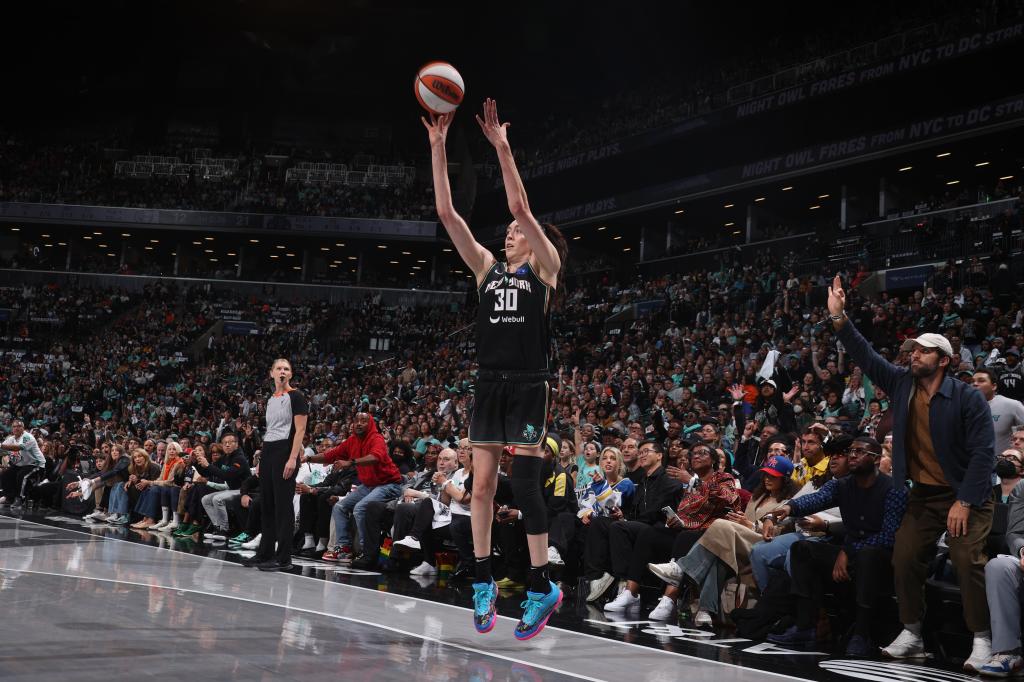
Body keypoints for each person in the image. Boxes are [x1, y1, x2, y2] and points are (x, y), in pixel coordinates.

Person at [423, 98, 569, 640]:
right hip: (489, 383)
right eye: (506, 229)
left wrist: (503, 149)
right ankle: (482, 582)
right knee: (481, 487)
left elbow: (522, 206)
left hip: (530, 385)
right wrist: (439, 150)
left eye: (516, 229)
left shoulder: (545, 272)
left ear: (535, 240)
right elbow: (447, 215)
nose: (509, 231)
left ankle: (540, 586)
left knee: (526, 485)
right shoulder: (486, 270)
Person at [827, 274, 995, 671]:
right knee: (903, 557)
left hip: (963, 495)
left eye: (922, 351)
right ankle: (912, 633)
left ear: (944, 360)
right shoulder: (903, 384)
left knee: (967, 559)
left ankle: (983, 639)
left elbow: (984, 454)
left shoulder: (968, 398)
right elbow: (866, 356)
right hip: (922, 495)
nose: (913, 355)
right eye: (912, 350)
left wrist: (965, 501)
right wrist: (839, 318)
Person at [766, 437, 908, 657]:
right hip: (850, 555)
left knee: (868, 555)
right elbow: (816, 499)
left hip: (883, 560)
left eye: (860, 452)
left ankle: (862, 634)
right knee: (802, 549)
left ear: (877, 459)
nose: (852, 455)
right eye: (851, 451)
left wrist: (847, 551)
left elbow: (889, 537)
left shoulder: (894, 489)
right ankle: (806, 627)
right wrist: (789, 508)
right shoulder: (842, 484)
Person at [312, 412, 403, 567]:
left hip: (389, 485)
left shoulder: (377, 438)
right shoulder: (352, 440)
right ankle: (344, 547)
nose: (359, 423)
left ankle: (365, 551)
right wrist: (307, 458)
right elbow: (330, 455)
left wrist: (351, 462)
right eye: (356, 420)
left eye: (363, 421)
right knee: (340, 506)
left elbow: (376, 457)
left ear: (371, 424)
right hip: (369, 486)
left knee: (360, 508)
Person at [242, 358, 307, 572]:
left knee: (283, 506)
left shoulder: (296, 396)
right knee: (266, 505)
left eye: (286, 369)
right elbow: (271, 430)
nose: (282, 371)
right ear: (271, 373)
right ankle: (265, 553)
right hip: (269, 451)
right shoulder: (270, 399)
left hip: (285, 452)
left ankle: (284, 558)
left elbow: (299, 430)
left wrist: (292, 457)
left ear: (290, 374)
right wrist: (262, 459)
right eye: (278, 368)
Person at [978, 476, 1024, 676]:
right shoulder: (1022, 487)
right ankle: (1008, 652)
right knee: (998, 566)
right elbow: (1015, 533)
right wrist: (1023, 550)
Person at [973, 369, 1024, 454]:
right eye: (972, 381)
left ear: (994, 386)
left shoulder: (1011, 404)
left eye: (981, 381)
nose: (975, 384)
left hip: (1001, 464)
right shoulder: (963, 406)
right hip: (970, 463)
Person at [0, 420, 46, 509]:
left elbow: (18, 447)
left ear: (23, 428)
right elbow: (2, 451)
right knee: (5, 474)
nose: (16, 428)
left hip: (36, 465)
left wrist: (1, 446)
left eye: (19, 426)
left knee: (22, 475)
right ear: (11, 429)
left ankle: (19, 499)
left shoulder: (27, 437)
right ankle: (9, 497)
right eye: (14, 426)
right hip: (22, 465)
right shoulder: (11, 439)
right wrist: (2, 448)